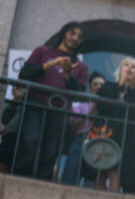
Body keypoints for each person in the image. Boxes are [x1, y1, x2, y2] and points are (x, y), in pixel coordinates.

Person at [16, 21, 90, 180]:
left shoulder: (81, 66)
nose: (75, 38)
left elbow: (79, 95)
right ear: (64, 33)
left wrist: (69, 76)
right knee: (29, 142)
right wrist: (51, 64)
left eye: (80, 37)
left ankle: (40, 188)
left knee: (50, 152)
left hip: (60, 112)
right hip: (35, 104)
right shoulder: (42, 51)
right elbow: (24, 74)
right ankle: (18, 182)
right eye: (72, 33)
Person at [95, 57, 135, 191]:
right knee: (100, 168)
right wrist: (121, 83)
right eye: (126, 65)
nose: (129, 68)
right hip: (106, 131)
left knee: (116, 168)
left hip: (126, 135)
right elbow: (102, 101)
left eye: (133, 67)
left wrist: (129, 86)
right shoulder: (108, 86)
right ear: (120, 69)